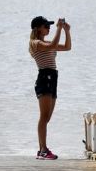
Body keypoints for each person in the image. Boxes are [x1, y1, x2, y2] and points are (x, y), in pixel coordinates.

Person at [29, 15, 71, 160]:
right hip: (44, 77)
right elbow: (53, 46)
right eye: (46, 25)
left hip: (53, 78)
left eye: (50, 26)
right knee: (44, 116)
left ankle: (42, 149)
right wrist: (59, 29)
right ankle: (43, 149)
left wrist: (67, 31)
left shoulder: (47, 42)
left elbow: (67, 47)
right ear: (38, 28)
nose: (48, 28)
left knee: (48, 117)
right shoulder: (35, 43)